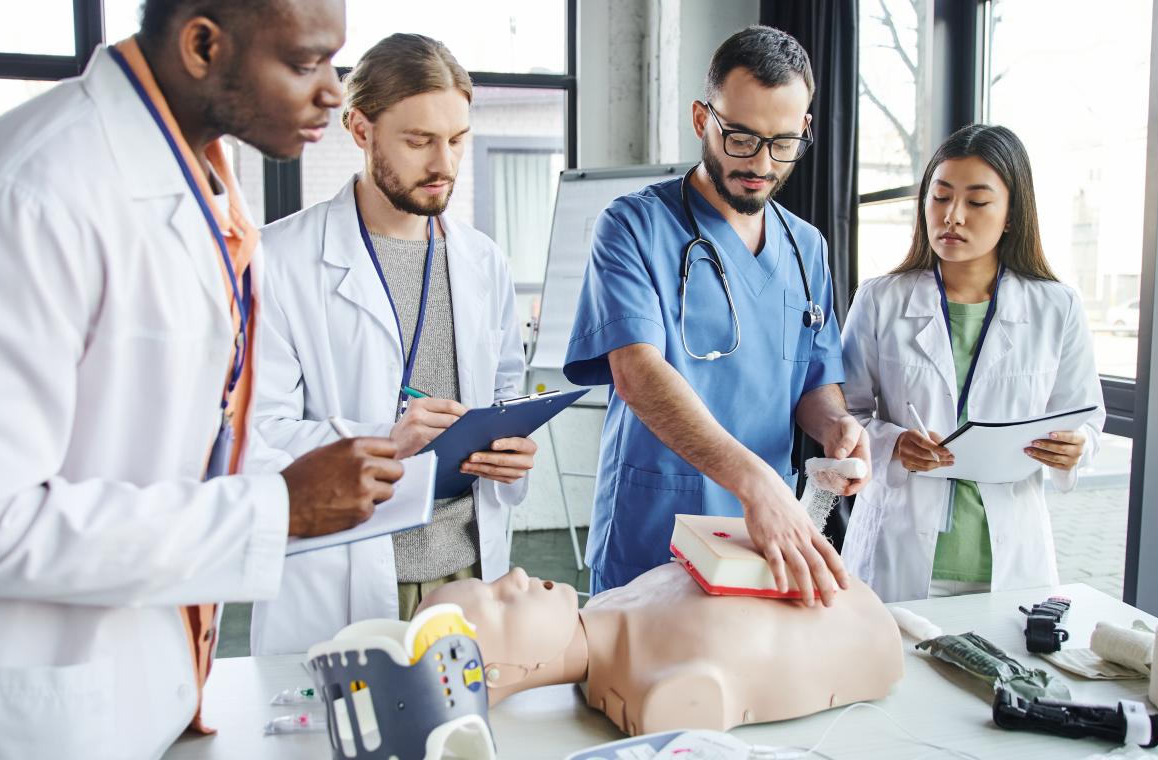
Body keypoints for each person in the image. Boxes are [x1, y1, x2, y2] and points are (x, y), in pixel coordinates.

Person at [0, 2, 407, 757]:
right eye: (304, 63)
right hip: (30, 712)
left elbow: (178, 434)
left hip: (147, 691)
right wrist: (274, 509)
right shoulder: (28, 198)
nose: (333, 91)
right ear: (201, 45)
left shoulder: (196, 189)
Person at [247, 33, 535, 654]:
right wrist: (386, 438)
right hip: (348, 570)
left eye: (457, 139)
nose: (445, 164)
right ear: (360, 129)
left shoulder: (483, 261)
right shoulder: (280, 261)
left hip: (468, 570)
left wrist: (513, 445)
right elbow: (254, 436)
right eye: (418, 141)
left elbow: (505, 390)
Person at [563, 26, 869, 606]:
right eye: (741, 138)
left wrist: (834, 427)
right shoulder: (633, 227)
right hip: (658, 525)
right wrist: (754, 481)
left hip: (765, 535)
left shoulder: (807, 248)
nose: (761, 163)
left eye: (782, 144)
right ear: (702, 117)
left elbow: (812, 380)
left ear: (804, 129)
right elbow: (637, 373)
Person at [840, 124, 1106, 603]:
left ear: (1010, 215)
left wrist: (1077, 447)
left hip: (1006, 560)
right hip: (895, 550)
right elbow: (844, 415)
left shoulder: (1057, 307)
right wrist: (894, 443)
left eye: (977, 202)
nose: (953, 216)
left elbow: (1085, 420)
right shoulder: (880, 300)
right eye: (940, 198)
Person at [416, 563, 903, 736]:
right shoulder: (662, 692)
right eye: (500, 602)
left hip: (864, 617)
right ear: (498, 673)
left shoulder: (610, 605)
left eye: (494, 582)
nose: (516, 577)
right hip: (867, 632)